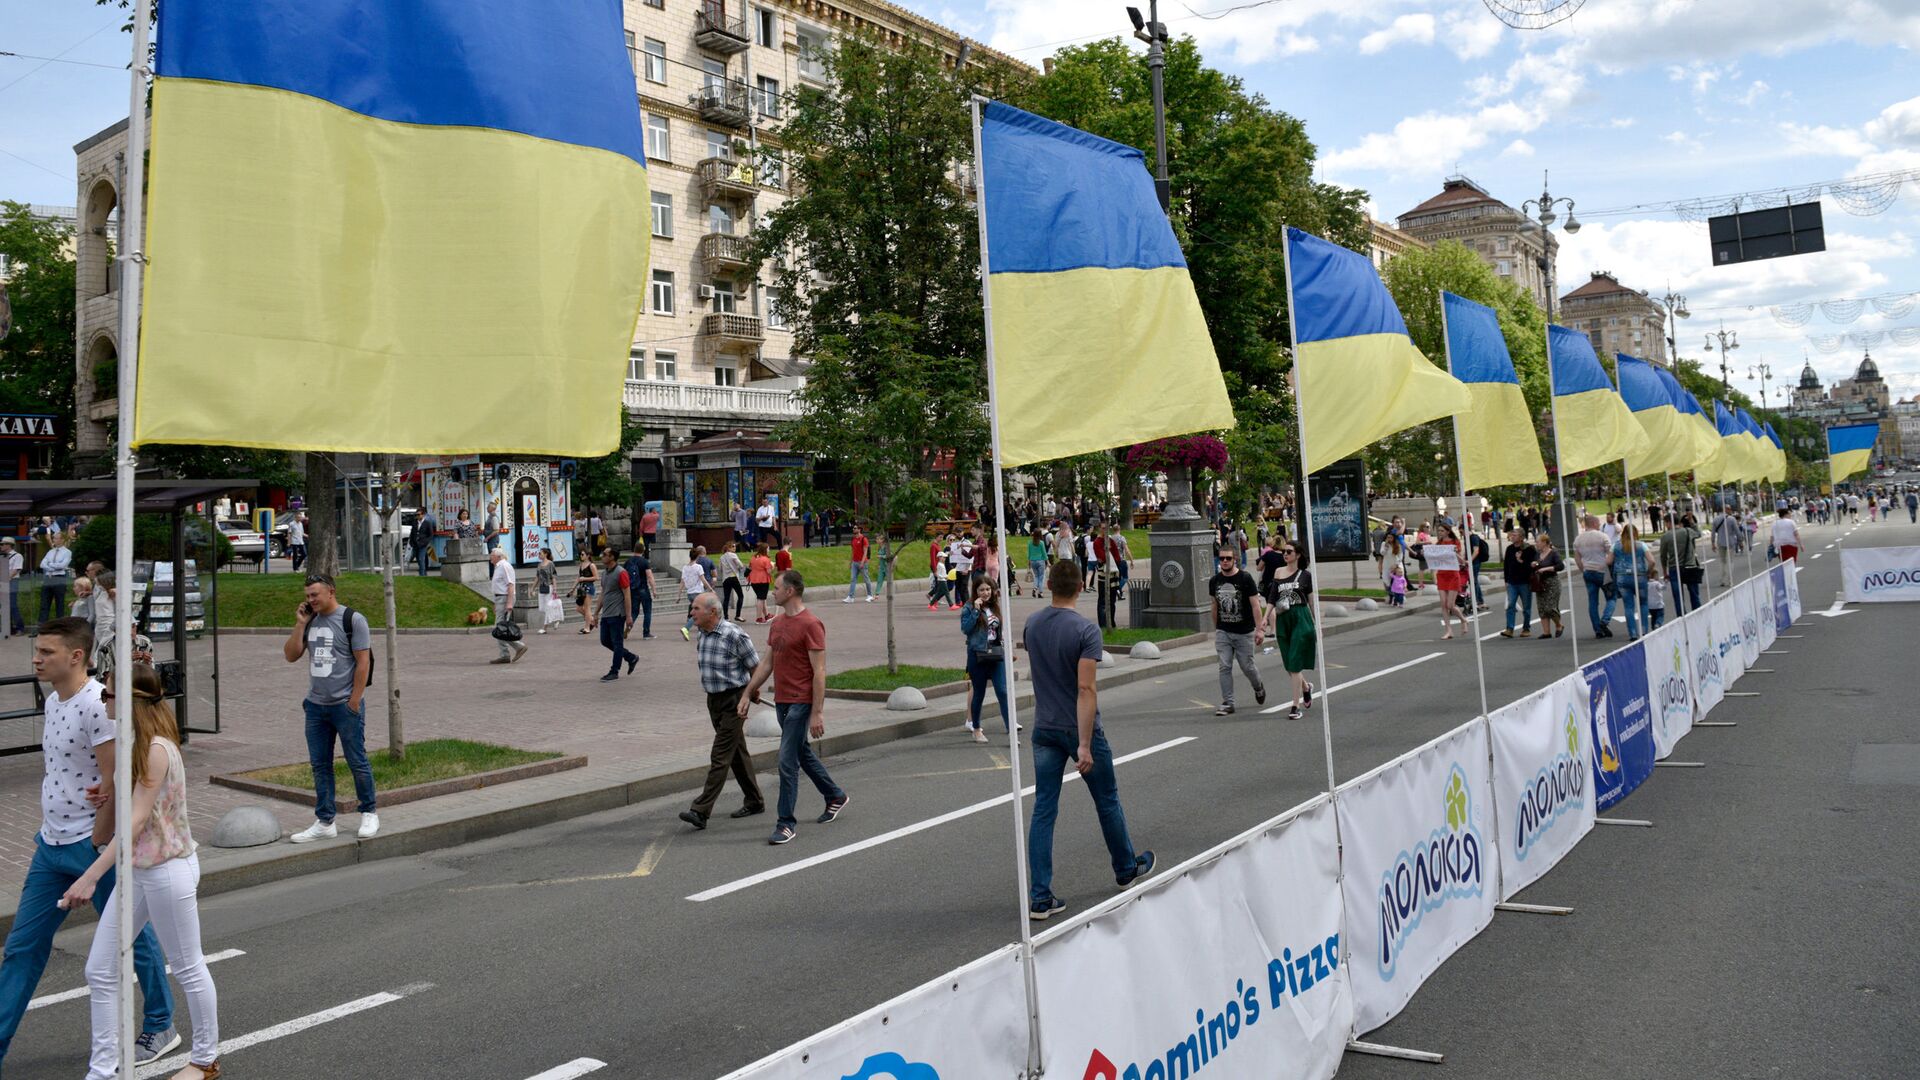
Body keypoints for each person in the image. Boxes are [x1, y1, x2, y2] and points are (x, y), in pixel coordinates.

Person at [0, 619, 179, 1069]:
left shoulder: (97, 705)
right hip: (51, 844)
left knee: (132, 941)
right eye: (36, 651)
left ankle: (160, 1024)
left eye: (46, 652)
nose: (36, 659)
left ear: (76, 656)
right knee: (22, 947)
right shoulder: (54, 698)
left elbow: (116, 780)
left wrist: (102, 843)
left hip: (91, 845)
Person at [67, 663, 221, 1080]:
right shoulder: (134, 742)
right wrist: (108, 793)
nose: (103, 702)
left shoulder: (155, 747)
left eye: (108, 695)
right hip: (140, 868)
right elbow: (135, 805)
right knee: (100, 968)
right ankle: (102, 1071)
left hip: (167, 870)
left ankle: (205, 1061)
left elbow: (134, 822)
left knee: (188, 966)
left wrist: (90, 875)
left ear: (131, 701)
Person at [1022, 559, 1155, 920]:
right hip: (1078, 729)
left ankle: (1040, 897)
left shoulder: (1032, 624)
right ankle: (1126, 868)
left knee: (1044, 810)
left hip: (1043, 728)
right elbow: (1085, 688)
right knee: (1107, 799)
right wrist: (1083, 743)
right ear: (1081, 586)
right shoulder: (1085, 630)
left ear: (1048, 584)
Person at [739, 571, 848, 845]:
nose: (772, 592)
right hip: (782, 701)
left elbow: (819, 672)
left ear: (790, 591)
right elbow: (767, 663)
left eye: (776, 588)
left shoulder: (811, 624)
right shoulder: (777, 623)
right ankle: (835, 795)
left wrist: (817, 712)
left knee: (787, 761)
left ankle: (786, 823)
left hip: (801, 701)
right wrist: (747, 692)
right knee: (802, 753)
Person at [284, 573, 379, 841]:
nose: (310, 600)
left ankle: (369, 812)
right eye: (307, 596)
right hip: (315, 706)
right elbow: (291, 655)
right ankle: (325, 821)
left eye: (315, 594)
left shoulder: (353, 620)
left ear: (331, 592)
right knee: (320, 765)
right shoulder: (310, 620)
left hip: (344, 706)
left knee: (356, 760)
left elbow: (363, 663)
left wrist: (354, 701)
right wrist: (300, 624)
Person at [679, 594, 765, 830]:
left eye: (696, 608)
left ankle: (700, 810)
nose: (691, 612)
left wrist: (752, 692)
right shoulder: (702, 633)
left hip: (734, 700)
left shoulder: (734, 634)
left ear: (713, 612)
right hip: (713, 700)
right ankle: (755, 800)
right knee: (736, 752)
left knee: (720, 755)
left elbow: (756, 666)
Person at [1207, 546, 1266, 715]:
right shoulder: (1215, 581)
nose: (1224, 561)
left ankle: (1258, 686)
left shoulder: (1245, 578)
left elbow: (1256, 606)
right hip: (1223, 631)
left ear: (1235, 560)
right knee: (1224, 666)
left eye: (1228, 558)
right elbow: (1214, 605)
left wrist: (1260, 630)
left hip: (1244, 632)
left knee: (1247, 666)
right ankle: (1228, 702)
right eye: (1222, 558)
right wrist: (1216, 628)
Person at [1268, 541, 1316, 720]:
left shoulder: (1305, 575)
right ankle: (1305, 687)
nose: (1285, 554)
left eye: (1289, 552)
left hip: (1300, 617)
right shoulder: (1278, 572)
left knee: (1294, 661)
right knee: (1289, 663)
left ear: (1298, 555)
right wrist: (1266, 618)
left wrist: (1317, 623)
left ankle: (1295, 706)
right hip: (1283, 618)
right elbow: (1273, 597)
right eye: (1284, 552)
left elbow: (1311, 602)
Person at [960, 579, 1010, 743]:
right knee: (979, 693)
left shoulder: (995, 606)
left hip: (995, 653)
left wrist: (1008, 649)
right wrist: (975, 611)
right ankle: (976, 729)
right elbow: (966, 629)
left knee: (1002, 691)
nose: (986, 593)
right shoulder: (969, 607)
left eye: (988, 589)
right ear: (975, 591)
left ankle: (1011, 728)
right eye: (982, 590)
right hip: (978, 655)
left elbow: (999, 631)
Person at [594, 551, 638, 682]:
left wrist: (629, 616)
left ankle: (614, 671)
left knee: (617, 643)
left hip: (618, 614)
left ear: (612, 557)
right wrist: (595, 613)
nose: (602, 556)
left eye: (605, 554)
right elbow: (603, 594)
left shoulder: (621, 572)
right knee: (605, 640)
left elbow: (627, 594)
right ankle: (630, 657)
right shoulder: (605, 574)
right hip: (606, 613)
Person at [1573, 514, 1617, 639]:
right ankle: (1605, 620)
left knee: (1593, 602)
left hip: (1588, 572)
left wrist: (1583, 570)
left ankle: (1597, 629)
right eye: (1598, 523)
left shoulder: (1578, 539)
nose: (1599, 525)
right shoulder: (1602, 536)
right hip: (1602, 572)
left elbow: (1577, 558)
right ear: (1593, 523)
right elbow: (1610, 554)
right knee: (1611, 597)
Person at [486, 550, 527, 664]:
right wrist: (496, 602)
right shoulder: (498, 567)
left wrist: (509, 603)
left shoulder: (504, 566)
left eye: (492, 556)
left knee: (500, 628)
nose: (490, 558)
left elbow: (511, 584)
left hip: (504, 598)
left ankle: (517, 647)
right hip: (500, 598)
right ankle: (505, 654)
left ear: (498, 556)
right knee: (500, 627)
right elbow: (499, 586)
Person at [1612, 524, 1650, 641]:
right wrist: (1648, 571)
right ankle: (1644, 631)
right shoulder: (1641, 545)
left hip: (1622, 578)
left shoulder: (1616, 546)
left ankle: (1632, 633)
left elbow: (1608, 561)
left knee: (1628, 606)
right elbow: (1652, 561)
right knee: (1643, 603)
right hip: (1640, 576)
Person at [1430, 525, 1468, 640]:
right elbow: (1435, 560)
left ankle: (1463, 620)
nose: (1440, 532)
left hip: (1453, 574)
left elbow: (1462, 561)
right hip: (1441, 574)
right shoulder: (1438, 544)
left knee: (1450, 605)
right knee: (1443, 604)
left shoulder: (1455, 542)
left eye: (1442, 531)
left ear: (1448, 531)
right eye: (1439, 530)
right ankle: (1448, 630)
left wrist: (1455, 553)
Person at [1500, 528, 1536, 638]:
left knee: (1526, 607)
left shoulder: (1529, 549)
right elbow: (1506, 566)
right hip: (1512, 582)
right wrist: (1506, 580)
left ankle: (1526, 628)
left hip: (1524, 582)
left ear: (1521, 537)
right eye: (1512, 535)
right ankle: (1509, 628)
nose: (1512, 536)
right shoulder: (1509, 549)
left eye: (1515, 535)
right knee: (1511, 605)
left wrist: (1520, 560)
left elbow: (1531, 566)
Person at [1532, 534, 1566, 639]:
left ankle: (1559, 625)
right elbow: (1535, 564)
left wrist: (1546, 569)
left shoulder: (1553, 553)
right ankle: (1546, 632)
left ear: (1544, 543)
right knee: (1542, 608)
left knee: (1550, 607)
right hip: (1540, 582)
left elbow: (1560, 566)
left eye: (1538, 541)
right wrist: (1533, 564)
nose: (1536, 543)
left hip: (1552, 582)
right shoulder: (1537, 554)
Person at [38, 529, 73, 621]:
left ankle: (59, 626)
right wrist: (52, 567)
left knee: (59, 603)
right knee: (44, 603)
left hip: (59, 577)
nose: (53, 540)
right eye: (54, 538)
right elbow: (42, 564)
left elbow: (63, 566)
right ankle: (42, 626)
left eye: (56, 538)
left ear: (62, 540)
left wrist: (49, 565)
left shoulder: (67, 552)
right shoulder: (51, 552)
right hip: (48, 578)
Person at [680, 546, 713, 641]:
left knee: (699, 612)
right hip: (698, 592)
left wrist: (679, 595)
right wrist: (710, 589)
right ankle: (686, 628)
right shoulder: (698, 567)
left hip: (689, 593)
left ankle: (701, 633)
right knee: (700, 613)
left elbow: (682, 582)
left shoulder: (685, 567)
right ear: (697, 556)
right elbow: (703, 579)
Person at [623, 545, 656, 639]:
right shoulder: (644, 561)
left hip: (632, 589)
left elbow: (624, 576)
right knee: (647, 611)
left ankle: (628, 627)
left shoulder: (628, 562)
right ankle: (646, 633)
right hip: (643, 589)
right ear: (643, 550)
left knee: (634, 611)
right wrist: (654, 589)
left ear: (634, 550)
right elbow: (649, 577)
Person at [1711, 505, 1741, 588]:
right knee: (1730, 561)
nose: (1731, 510)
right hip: (1730, 543)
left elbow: (1713, 532)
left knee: (1722, 562)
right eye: (1730, 509)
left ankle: (1722, 580)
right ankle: (1730, 581)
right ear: (1726, 509)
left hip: (1720, 542)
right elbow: (1737, 531)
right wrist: (1740, 541)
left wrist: (1713, 543)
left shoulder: (1716, 519)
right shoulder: (1732, 519)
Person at [845, 525, 875, 603]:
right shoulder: (853, 539)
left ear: (859, 529)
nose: (853, 529)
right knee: (853, 579)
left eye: (855, 528)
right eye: (853, 528)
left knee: (866, 578)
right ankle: (851, 597)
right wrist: (850, 562)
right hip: (855, 562)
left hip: (862, 562)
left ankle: (870, 595)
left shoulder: (863, 539)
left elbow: (865, 552)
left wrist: (862, 562)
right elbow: (853, 552)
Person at [717, 541, 747, 621]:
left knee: (726, 598)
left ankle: (726, 617)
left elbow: (720, 569)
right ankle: (738, 615)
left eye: (735, 546)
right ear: (729, 548)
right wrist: (739, 567)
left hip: (725, 579)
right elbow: (740, 565)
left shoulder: (722, 557)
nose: (735, 548)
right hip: (733, 577)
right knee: (740, 595)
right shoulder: (733, 555)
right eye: (733, 546)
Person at [534, 548, 561, 634]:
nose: (539, 555)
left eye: (540, 553)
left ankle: (544, 628)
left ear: (546, 554)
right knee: (542, 608)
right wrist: (532, 588)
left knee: (548, 607)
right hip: (541, 588)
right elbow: (537, 577)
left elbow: (553, 577)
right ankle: (556, 619)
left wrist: (555, 589)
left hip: (549, 587)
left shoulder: (550, 564)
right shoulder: (539, 565)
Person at [748, 543, 775, 623]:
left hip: (753, 579)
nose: (769, 550)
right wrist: (773, 566)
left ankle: (766, 615)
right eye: (768, 549)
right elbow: (769, 571)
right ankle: (759, 618)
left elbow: (750, 567)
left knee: (762, 598)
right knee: (760, 598)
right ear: (765, 550)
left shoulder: (753, 557)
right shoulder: (765, 559)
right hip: (763, 580)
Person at [2, 537, 24, 635]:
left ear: (9, 545)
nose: (1, 546)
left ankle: (20, 627)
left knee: (12, 605)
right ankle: (8, 628)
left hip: (12, 581)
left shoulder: (17, 556)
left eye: (3, 544)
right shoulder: (2, 556)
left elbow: (15, 570)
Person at [1465, 526, 1489, 613]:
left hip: (1475, 563)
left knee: (1473, 582)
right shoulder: (1467, 538)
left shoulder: (1473, 538)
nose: (1461, 534)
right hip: (1472, 562)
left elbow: (1476, 551)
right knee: (1474, 582)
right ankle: (1479, 601)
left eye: (1462, 531)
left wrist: (1469, 561)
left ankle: (1479, 601)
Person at [572, 559, 598, 635]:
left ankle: (587, 628)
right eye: (580, 554)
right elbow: (578, 578)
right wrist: (572, 588)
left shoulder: (591, 565)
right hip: (581, 588)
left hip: (589, 587)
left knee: (587, 608)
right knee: (578, 608)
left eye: (583, 554)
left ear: (587, 555)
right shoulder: (581, 565)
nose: (581, 556)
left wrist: (585, 578)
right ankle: (592, 620)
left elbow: (596, 577)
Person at [411, 509, 437, 577]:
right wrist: (411, 542)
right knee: (417, 558)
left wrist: (426, 542)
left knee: (421, 558)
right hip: (415, 543)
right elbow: (412, 533)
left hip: (423, 544)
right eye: (416, 515)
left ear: (423, 515)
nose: (417, 516)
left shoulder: (427, 523)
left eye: (419, 514)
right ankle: (424, 571)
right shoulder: (415, 522)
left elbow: (430, 534)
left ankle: (422, 574)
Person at [1025, 530, 1049, 599]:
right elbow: (1044, 553)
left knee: (1036, 576)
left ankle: (1035, 588)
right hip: (1040, 561)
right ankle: (1040, 592)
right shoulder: (1041, 543)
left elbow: (1029, 554)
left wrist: (1029, 562)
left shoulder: (1030, 543)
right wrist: (1048, 561)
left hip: (1033, 561)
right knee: (1041, 577)